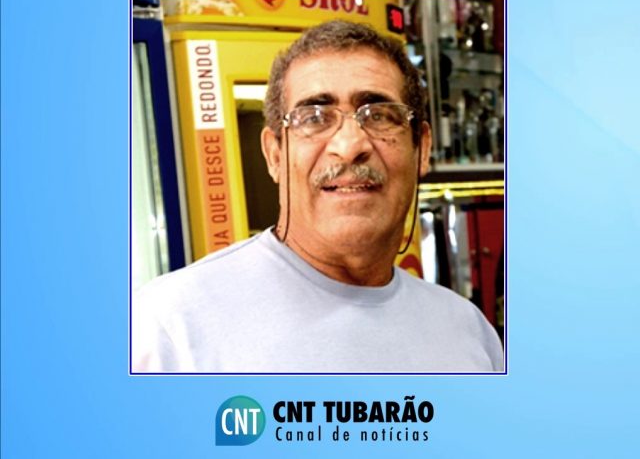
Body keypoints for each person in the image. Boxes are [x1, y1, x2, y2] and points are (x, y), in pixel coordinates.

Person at [132, 20, 504, 373]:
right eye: (313, 117)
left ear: (421, 148)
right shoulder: (170, 328)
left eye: (379, 115)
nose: (349, 145)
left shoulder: (468, 334)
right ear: (275, 155)